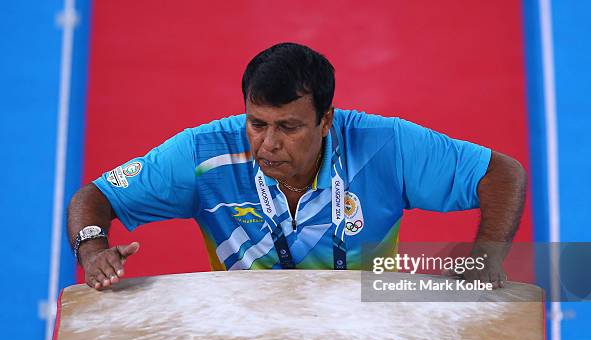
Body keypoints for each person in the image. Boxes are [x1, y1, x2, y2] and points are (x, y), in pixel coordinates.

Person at [68, 42, 526, 291]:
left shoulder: (383, 144)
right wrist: (92, 249)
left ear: (326, 120)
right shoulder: (205, 152)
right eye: (257, 123)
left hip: (369, 327)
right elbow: (96, 196)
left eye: (288, 127)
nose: (268, 144)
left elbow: (502, 172)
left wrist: (486, 259)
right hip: (252, 332)